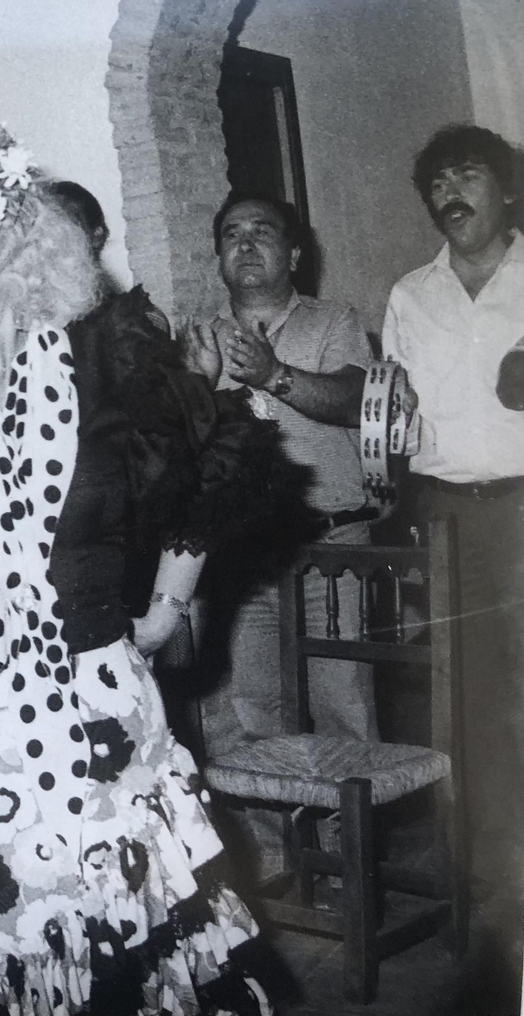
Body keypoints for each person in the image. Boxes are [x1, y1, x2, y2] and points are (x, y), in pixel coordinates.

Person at [0, 104, 278, 1014]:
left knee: (104, 925)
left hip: (94, 697)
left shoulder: (110, 358)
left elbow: (216, 455)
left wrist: (165, 607)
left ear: (9, 267)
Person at [189, 193, 377, 883]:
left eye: (261, 232)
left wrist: (272, 376)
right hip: (242, 556)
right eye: (231, 234)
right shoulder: (199, 336)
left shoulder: (336, 321)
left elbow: (356, 401)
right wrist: (196, 389)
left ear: (294, 253)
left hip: (331, 546)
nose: (245, 245)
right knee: (251, 709)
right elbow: (176, 450)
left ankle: (347, 867)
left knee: (341, 704)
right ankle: (275, 864)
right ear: (217, 256)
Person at [381, 123, 524, 1000]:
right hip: (447, 523)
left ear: (507, 191)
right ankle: (495, 912)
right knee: (467, 719)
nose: (451, 191)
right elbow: (396, 420)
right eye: (437, 181)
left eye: (468, 174)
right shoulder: (409, 292)